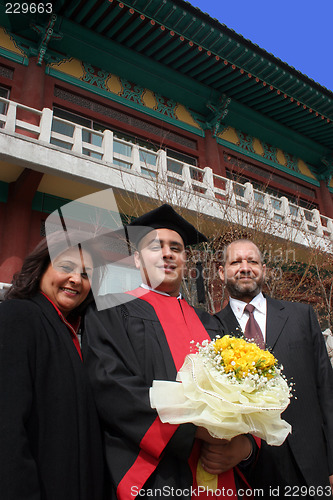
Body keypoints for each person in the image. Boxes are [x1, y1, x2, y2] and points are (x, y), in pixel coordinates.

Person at [82, 204, 257, 499]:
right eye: (155, 246)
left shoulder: (211, 323)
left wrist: (245, 446)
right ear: (137, 259)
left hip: (221, 469)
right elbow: (110, 384)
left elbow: (249, 388)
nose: (167, 253)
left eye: (176, 247)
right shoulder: (110, 310)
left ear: (185, 259)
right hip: (155, 475)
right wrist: (190, 432)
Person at [215, 239, 333, 499]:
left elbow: (327, 391)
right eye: (235, 262)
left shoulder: (302, 316)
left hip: (311, 465)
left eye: (252, 261)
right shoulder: (210, 329)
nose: (245, 268)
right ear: (222, 272)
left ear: (264, 269)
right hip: (250, 469)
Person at [0, 232, 105, 500]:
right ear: (41, 268)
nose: (76, 279)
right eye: (66, 267)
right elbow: (7, 426)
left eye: (85, 274)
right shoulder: (18, 317)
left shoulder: (69, 332)